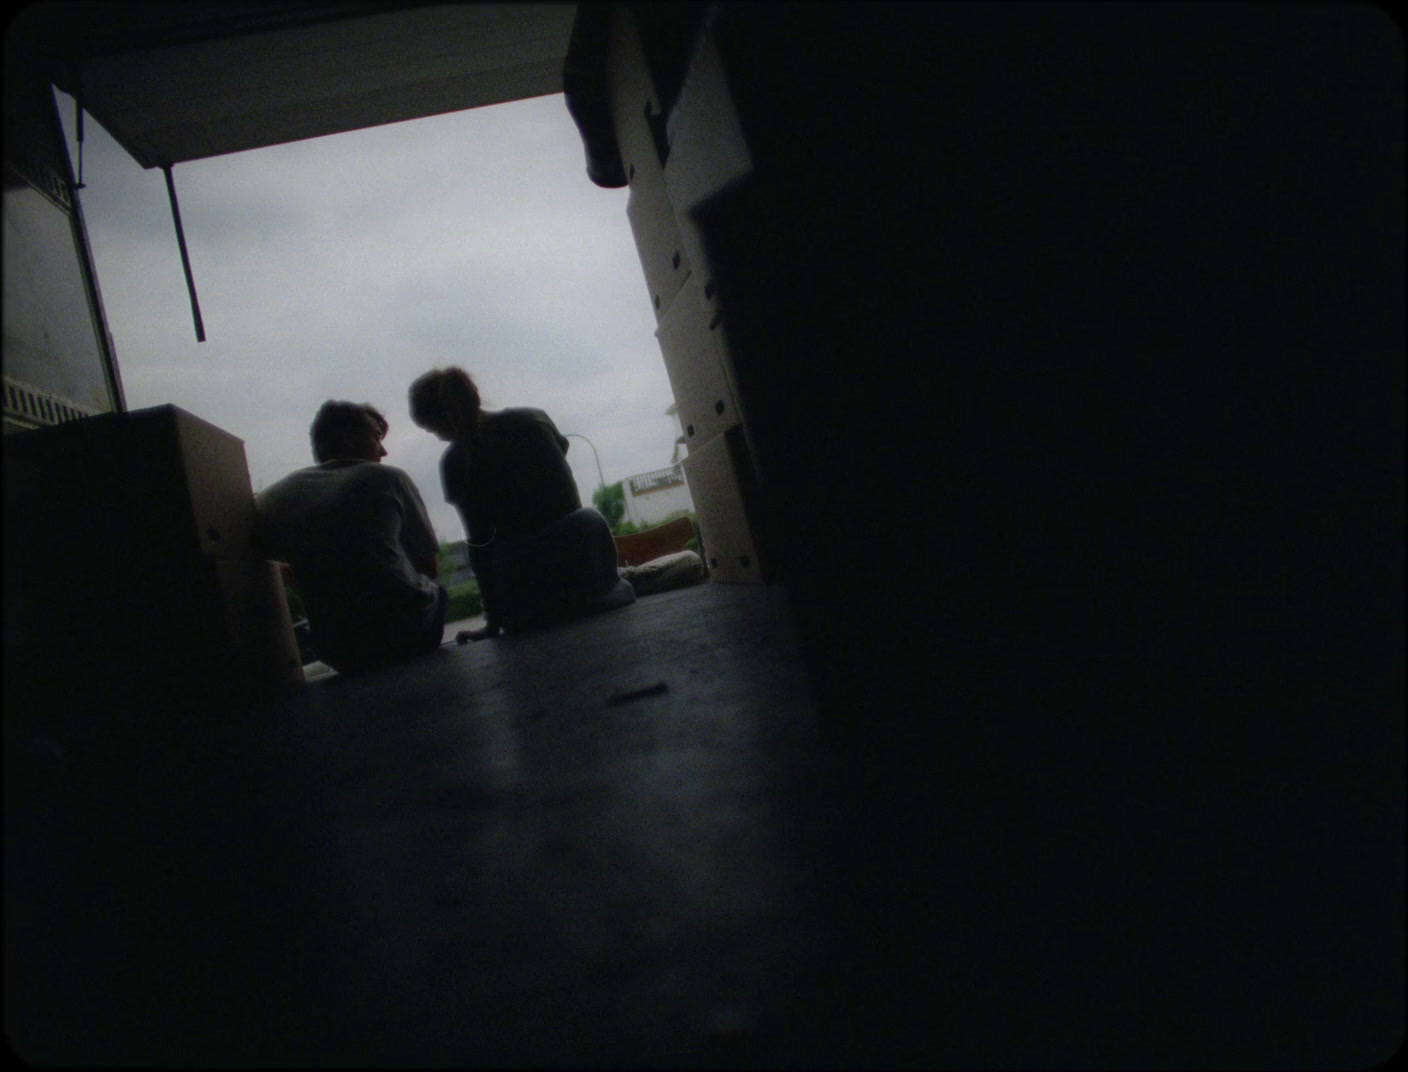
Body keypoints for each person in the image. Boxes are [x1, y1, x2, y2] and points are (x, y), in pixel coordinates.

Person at [408, 366, 634, 639]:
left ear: (438, 422)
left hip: (525, 605)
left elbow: (480, 543)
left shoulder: (455, 461)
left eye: (432, 430)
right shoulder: (534, 420)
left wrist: (493, 622)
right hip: (587, 584)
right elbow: (566, 501)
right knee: (588, 519)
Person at [255, 400, 447, 674]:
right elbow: (429, 568)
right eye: (376, 437)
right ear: (348, 438)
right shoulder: (388, 478)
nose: (383, 450)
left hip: (339, 650)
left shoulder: (272, 498)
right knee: (435, 591)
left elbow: (272, 569)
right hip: (411, 634)